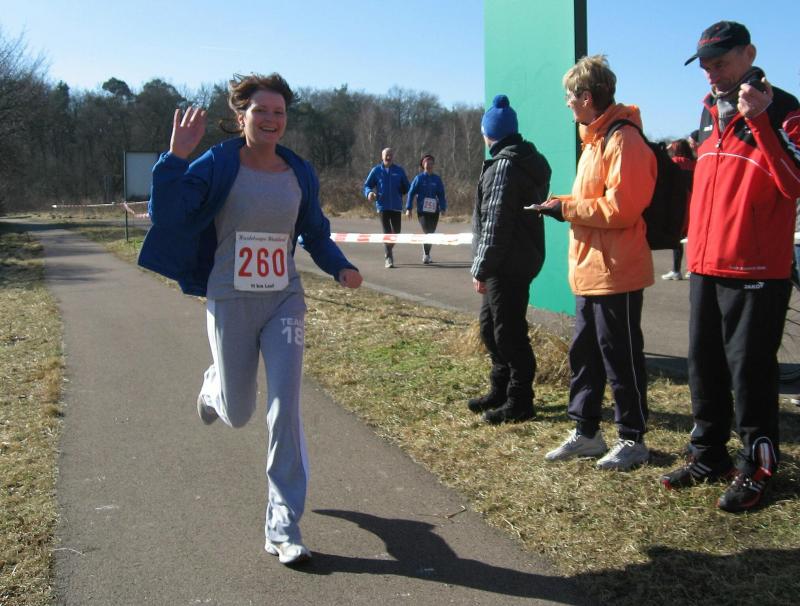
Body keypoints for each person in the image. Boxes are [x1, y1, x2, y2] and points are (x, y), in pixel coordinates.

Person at [137, 73, 363, 564]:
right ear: (242, 117)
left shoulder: (298, 172)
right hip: (229, 298)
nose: (271, 120)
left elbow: (314, 233)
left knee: (285, 408)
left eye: (279, 112)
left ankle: (282, 526)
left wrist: (340, 266)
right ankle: (213, 387)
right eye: (261, 111)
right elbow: (169, 214)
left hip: (284, 300)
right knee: (238, 413)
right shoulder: (217, 163)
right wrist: (175, 158)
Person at [660, 21, 800, 512]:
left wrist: (760, 122)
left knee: (751, 374)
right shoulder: (707, 111)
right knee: (704, 368)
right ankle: (708, 456)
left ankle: (757, 468)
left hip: (756, 268)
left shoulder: (785, 109)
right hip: (705, 262)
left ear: (749, 55)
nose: (711, 74)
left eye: (719, 63)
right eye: (705, 66)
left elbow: (794, 183)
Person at [536, 55, 656, 471]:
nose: (567, 104)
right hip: (590, 271)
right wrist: (561, 203)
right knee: (584, 355)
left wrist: (567, 210)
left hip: (617, 272)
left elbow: (622, 208)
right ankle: (586, 432)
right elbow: (594, 200)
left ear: (586, 97)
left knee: (620, 358)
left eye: (570, 96)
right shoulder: (594, 141)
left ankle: (633, 438)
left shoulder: (624, 140)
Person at [467, 94, 550, 425]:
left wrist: (481, 268)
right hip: (511, 260)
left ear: (489, 133)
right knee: (491, 329)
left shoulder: (504, 166)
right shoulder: (521, 161)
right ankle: (499, 390)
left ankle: (520, 400)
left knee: (509, 335)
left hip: (506, 264)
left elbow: (495, 224)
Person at [363, 147, 410, 268]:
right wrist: (369, 193)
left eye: (390, 155)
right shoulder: (376, 171)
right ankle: (388, 257)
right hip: (382, 206)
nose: (388, 157)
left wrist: (404, 190)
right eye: (386, 155)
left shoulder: (399, 170)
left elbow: (407, 186)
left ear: (393, 157)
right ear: (382, 157)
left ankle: (387, 249)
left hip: (396, 206)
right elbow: (367, 185)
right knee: (387, 232)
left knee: (397, 233)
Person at [661, 138, 696, 281]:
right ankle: (692, 269)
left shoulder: (674, 162)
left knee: (678, 237)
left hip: (678, 203)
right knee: (692, 237)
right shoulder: (694, 163)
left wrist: (665, 149)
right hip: (694, 202)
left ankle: (676, 270)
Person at [405, 153, 447, 264]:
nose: (429, 166)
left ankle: (427, 254)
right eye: (427, 164)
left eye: (431, 164)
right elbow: (411, 193)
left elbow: (441, 194)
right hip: (422, 211)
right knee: (427, 231)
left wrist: (443, 207)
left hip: (434, 211)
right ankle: (426, 254)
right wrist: (409, 208)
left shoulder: (437, 179)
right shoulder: (419, 178)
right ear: (423, 165)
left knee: (431, 233)